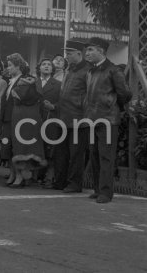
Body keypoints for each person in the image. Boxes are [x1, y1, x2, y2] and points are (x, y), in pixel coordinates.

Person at [84, 37, 131, 204]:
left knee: (106, 157)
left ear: (101, 51)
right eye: (87, 50)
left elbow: (125, 94)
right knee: (95, 155)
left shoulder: (113, 70)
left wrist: (112, 107)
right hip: (92, 119)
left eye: (90, 50)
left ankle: (106, 193)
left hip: (108, 120)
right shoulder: (90, 71)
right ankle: (98, 189)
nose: (87, 53)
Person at [53, 39, 90, 192]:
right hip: (63, 117)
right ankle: (60, 181)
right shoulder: (69, 70)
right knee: (60, 152)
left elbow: (90, 95)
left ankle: (75, 184)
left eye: (69, 53)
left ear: (79, 53)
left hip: (78, 119)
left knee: (76, 154)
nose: (66, 56)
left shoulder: (88, 70)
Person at [6, 53, 46, 188]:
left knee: (23, 146)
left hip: (26, 116)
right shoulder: (12, 80)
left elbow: (33, 97)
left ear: (18, 66)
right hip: (15, 116)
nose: (8, 68)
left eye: (10, 65)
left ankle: (21, 176)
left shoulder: (28, 79)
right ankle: (15, 174)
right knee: (15, 146)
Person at [35, 58, 61, 186]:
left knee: (50, 148)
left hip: (50, 118)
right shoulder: (33, 82)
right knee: (35, 146)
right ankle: (35, 175)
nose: (46, 66)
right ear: (39, 68)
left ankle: (49, 177)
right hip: (33, 119)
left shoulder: (58, 84)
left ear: (52, 69)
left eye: (49, 65)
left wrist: (54, 106)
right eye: (43, 64)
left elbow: (62, 102)